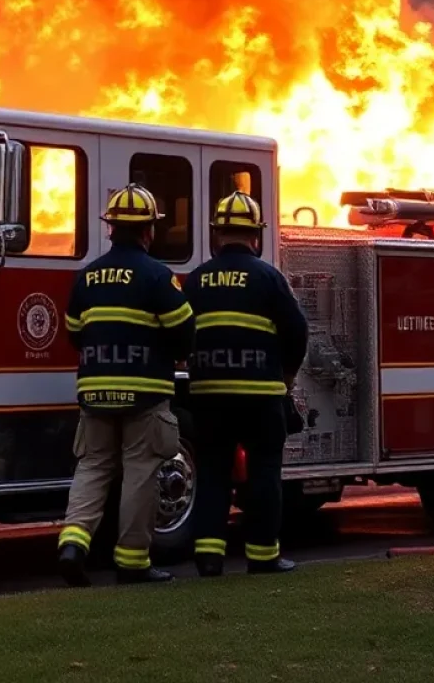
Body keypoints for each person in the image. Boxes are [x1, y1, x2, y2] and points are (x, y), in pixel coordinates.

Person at [56, 184, 195, 587]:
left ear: (111, 229)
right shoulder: (158, 277)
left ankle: (72, 544)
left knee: (93, 466)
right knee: (139, 470)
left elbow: (75, 333)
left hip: (96, 391)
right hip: (145, 394)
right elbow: (185, 332)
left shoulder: (88, 277)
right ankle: (133, 561)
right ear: (149, 230)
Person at [183, 190, 309, 577]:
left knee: (213, 472)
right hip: (260, 398)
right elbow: (297, 332)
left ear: (216, 235)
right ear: (256, 236)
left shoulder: (195, 280)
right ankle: (263, 556)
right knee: (264, 474)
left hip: (208, 398)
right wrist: (285, 381)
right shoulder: (269, 277)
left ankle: (208, 557)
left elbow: (179, 331)